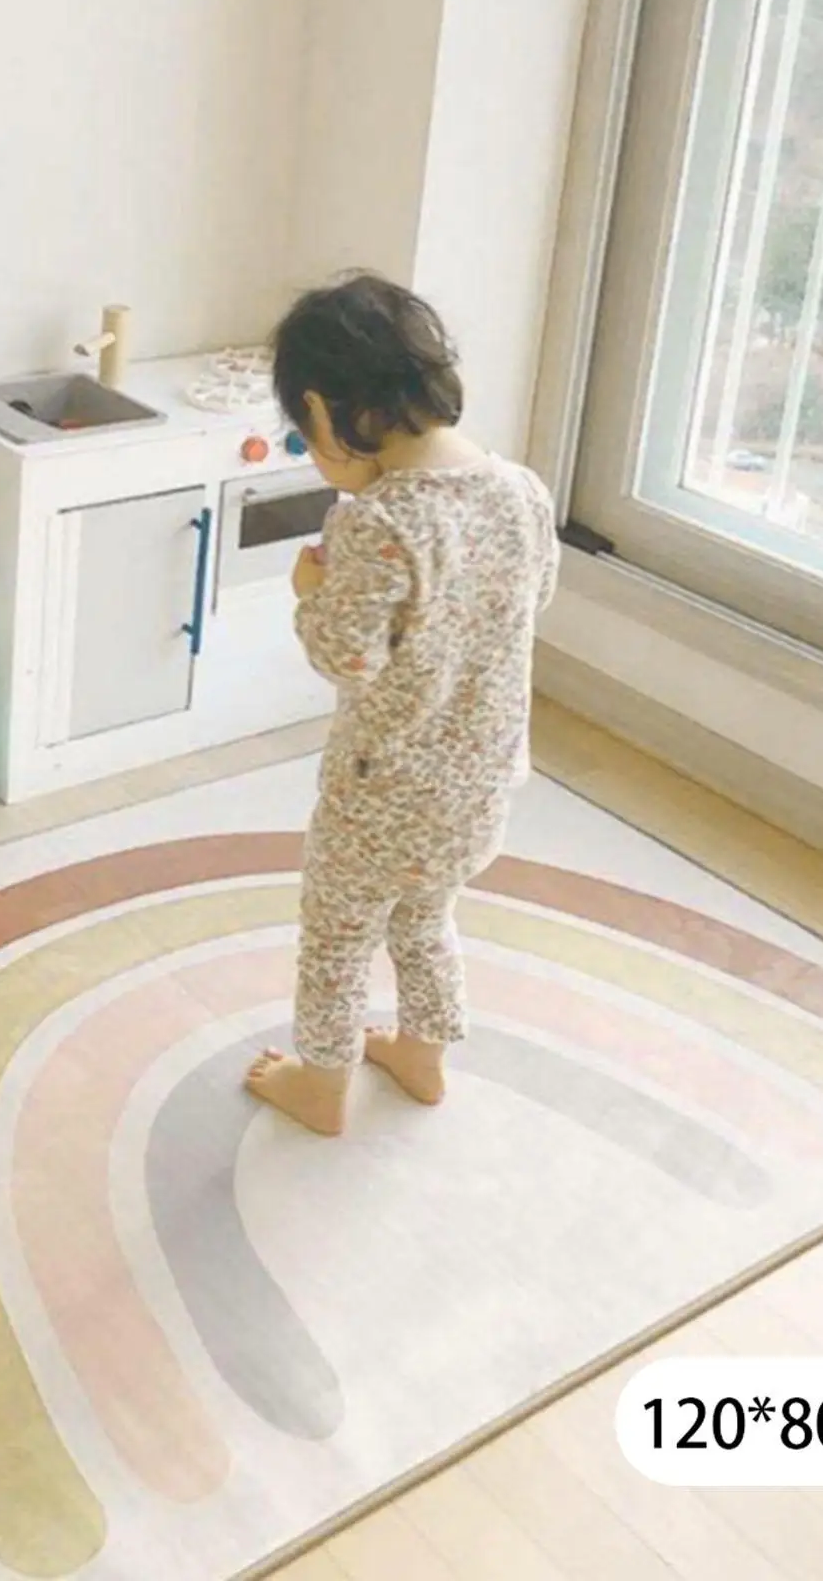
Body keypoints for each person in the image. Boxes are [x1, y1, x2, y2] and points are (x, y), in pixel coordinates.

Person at [245, 272, 559, 1135]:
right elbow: (531, 598)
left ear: (324, 408)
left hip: (380, 801)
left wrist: (312, 592)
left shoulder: (377, 522)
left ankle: (321, 1086)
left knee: (337, 939)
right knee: (425, 920)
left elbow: (345, 657)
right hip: (480, 789)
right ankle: (424, 1054)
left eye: (301, 432)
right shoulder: (521, 491)